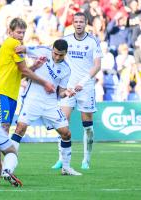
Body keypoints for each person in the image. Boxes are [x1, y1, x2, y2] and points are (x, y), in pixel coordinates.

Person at [0, 17, 55, 176]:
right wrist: (45, 83)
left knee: (2, 132)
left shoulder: (16, 47)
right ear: (10, 32)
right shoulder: (12, 43)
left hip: (11, 94)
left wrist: (36, 66)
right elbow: (24, 71)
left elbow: (20, 73)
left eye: (23, 32)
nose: (20, 35)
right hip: (0, 91)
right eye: (18, 32)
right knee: (1, 128)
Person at [11, 39, 81, 176]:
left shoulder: (66, 69)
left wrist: (67, 93)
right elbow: (20, 49)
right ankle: (9, 167)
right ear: (52, 49)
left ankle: (66, 167)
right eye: (55, 53)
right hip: (33, 98)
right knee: (20, 128)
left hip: (50, 103)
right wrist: (31, 63)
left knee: (66, 133)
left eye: (61, 55)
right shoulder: (42, 51)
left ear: (66, 53)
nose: (57, 57)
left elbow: (60, 92)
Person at [52, 12, 102, 170]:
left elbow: (97, 65)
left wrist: (83, 82)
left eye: (81, 21)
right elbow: (57, 59)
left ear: (86, 23)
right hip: (68, 87)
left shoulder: (93, 41)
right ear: (72, 23)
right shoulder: (66, 40)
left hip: (85, 87)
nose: (79, 24)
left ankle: (86, 159)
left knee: (87, 126)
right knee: (62, 122)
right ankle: (61, 158)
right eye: (76, 22)